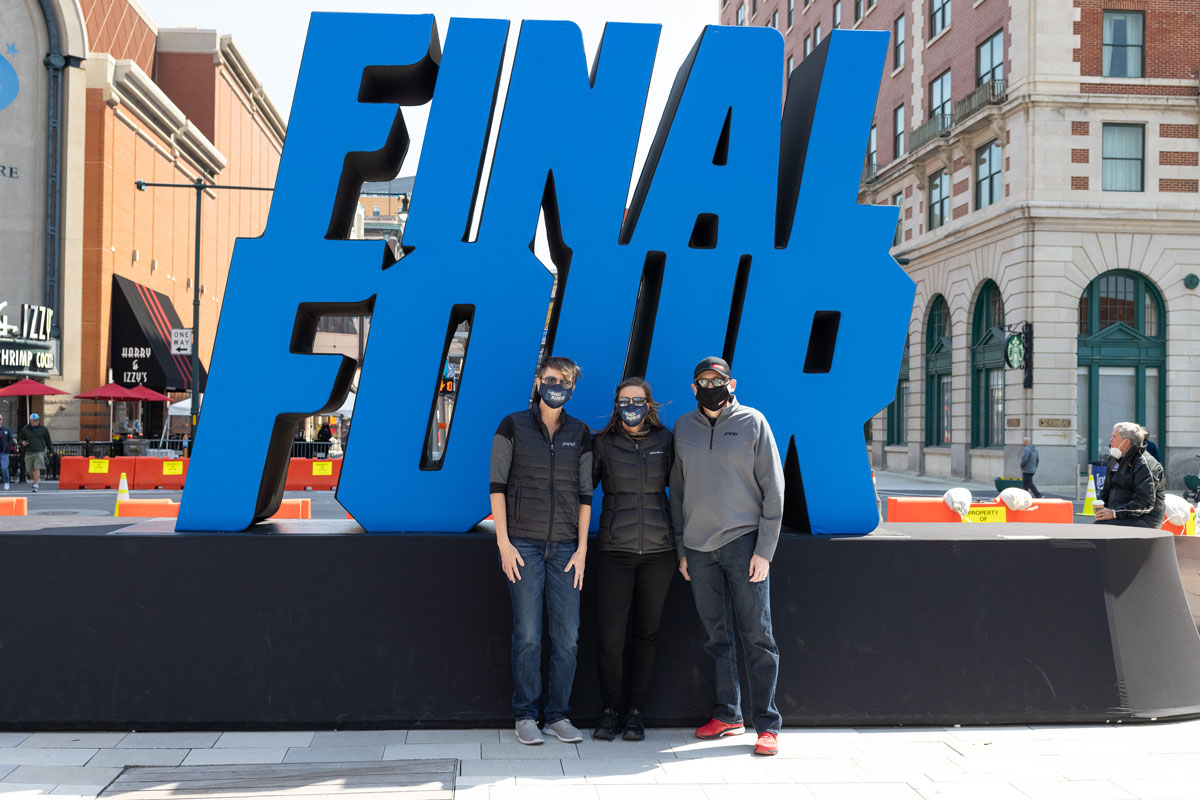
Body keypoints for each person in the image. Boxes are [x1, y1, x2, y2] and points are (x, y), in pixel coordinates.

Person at [670, 356, 784, 757]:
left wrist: (765, 551)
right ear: (693, 387)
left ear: (731, 383)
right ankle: (728, 714)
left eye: (716, 379)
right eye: (702, 380)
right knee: (716, 638)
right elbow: (678, 492)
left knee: (758, 637)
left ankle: (767, 725)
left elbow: (774, 489)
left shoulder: (754, 422)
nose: (709, 385)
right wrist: (683, 547)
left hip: (744, 543)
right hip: (699, 550)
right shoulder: (683, 427)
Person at [489, 356, 592, 746]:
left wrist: (582, 549)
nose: (556, 386)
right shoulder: (511, 426)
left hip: (566, 547)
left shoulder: (581, 433)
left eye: (564, 382)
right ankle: (526, 715)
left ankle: (558, 715)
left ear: (572, 388)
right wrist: (503, 542)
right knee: (528, 635)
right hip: (524, 546)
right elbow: (496, 485)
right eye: (551, 379)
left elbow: (585, 495)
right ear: (537, 381)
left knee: (568, 637)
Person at [590, 377, 676, 742]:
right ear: (616, 404)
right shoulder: (602, 443)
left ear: (649, 404)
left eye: (637, 400)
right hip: (615, 551)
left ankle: (636, 712)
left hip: (660, 552)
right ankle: (610, 712)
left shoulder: (666, 441)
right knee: (610, 639)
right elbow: (577, 491)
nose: (631, 406)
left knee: (647, 634)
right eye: (624, 400)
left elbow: (688, 489)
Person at [1094, 421, 1165, 528]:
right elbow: (1106, 490)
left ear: (1126, 442)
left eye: (1114, 437)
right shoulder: (1114, 458)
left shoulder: (1145, 464)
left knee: (1098, 530)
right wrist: (1102, 508)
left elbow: (1144, 504)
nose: (1110, 440)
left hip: (1144, 519)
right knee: (1095, 528)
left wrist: (1114, 513)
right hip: (1120, 515)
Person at [20, 413, 52, 493]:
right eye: (35, 420)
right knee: (29, 470)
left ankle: (35, 484)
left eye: (37, 420)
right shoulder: (25, 429)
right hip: (29, 451)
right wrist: (23, 442)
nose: (36, 421)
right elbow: (20, 439)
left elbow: (48, 440)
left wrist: (51, 450)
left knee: (37, 468)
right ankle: (36, 479)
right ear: (31, 420)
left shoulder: (43, 429)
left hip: (39, 451)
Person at [0, 414, 11, 490]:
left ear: (2, 420)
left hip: (4, 452)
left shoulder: (6, 429)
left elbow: (10, 440)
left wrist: (8, 448)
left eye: (0, 419)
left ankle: (6, 482)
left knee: (4, 467)